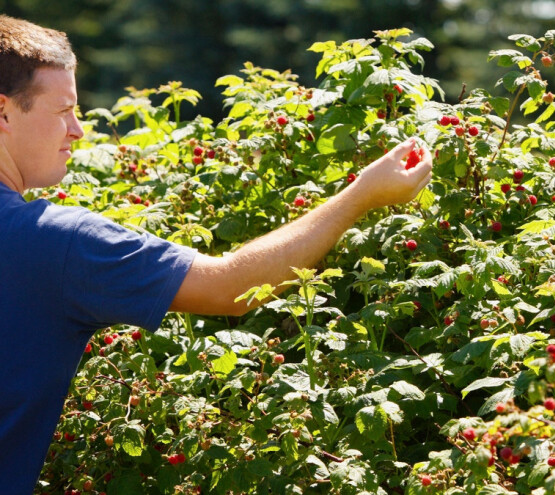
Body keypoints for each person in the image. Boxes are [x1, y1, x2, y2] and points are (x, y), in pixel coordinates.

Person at [0, 15, 433, 493]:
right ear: (3, 112)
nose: (77, 130)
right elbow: (232, 287)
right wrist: (360, 196)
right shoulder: (57, 242)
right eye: (63, 110)